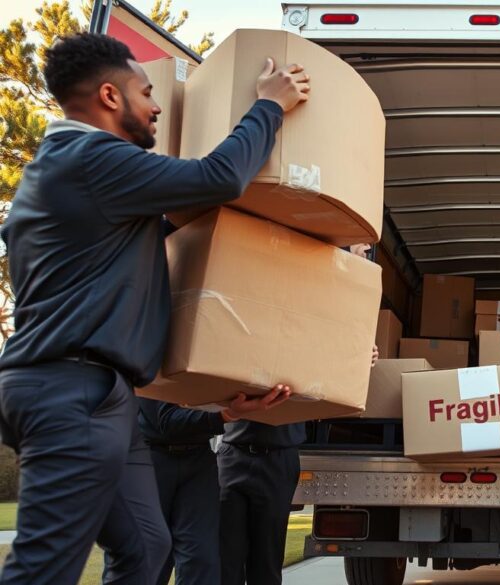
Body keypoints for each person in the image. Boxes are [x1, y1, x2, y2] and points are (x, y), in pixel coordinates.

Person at [0, 32, 308, 584]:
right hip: (71, 394)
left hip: (103, 395)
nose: (158, 104)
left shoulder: (79, 176)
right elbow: (218, 178)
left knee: (145, 547)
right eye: (147, 92)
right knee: (43, 567)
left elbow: (180, 226)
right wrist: (269, 105)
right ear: (111, 98)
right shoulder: (90, 158)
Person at [219, 349, 380, 585]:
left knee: (267, 560)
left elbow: (330, 372)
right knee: (225, 559)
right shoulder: (249, 343)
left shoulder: (302, 354)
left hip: (278, 458)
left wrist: (358, 356)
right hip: (234, 454)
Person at [139, 391, 290, 585]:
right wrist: (226, 414)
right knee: (149, 556)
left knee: (201, 558)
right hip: (152, 458)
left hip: (198, 459)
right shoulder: (153, 371)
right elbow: (167, 421)